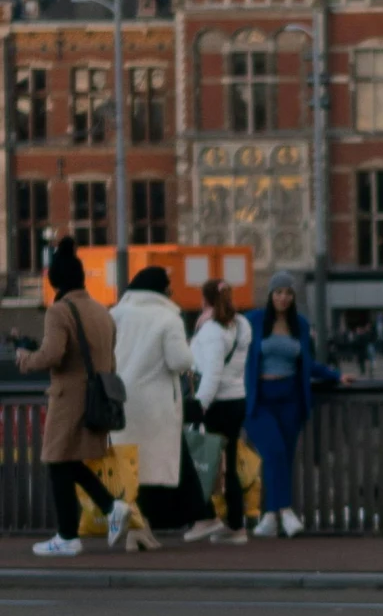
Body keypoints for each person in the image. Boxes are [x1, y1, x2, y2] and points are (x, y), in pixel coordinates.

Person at [18, 236, 137, 558]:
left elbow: (53, 354)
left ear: (55, 279)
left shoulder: (60, 310)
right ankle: (111, 508)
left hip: (68, 396)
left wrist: (26, 359)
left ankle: (68, 536)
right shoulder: (102, 311)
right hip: (96, 395)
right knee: (69, 461)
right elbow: (110, 359)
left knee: (57, 461)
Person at [112, 264, 209, 538]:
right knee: (158, 465)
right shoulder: (168, 318)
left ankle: (138, 530)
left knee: (132, 465)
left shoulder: (116, 314)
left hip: (121, 400)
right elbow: (179, 360)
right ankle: (146, 528)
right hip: (156, 404)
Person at [243, 270, 338, 537]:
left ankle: (271, 518)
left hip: (290, 398)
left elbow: (308, 364)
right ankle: (285, 510)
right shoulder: (254, 321)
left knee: (284, 456)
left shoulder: (301, 325)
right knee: (272, 452)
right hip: (260, 399)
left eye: (288, 293)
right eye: (279, 292)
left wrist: (337, 376)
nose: (283, 298)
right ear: (270, 295)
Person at [190, 276, 252, 543]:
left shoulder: (212, 331)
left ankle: (205, 517)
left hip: (217, 402)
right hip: (237, 398)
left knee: (199, 461)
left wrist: (200, 405)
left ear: (205, 300)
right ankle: (237, 525)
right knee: (229, 464)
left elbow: (212, 372)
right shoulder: (241, 325)